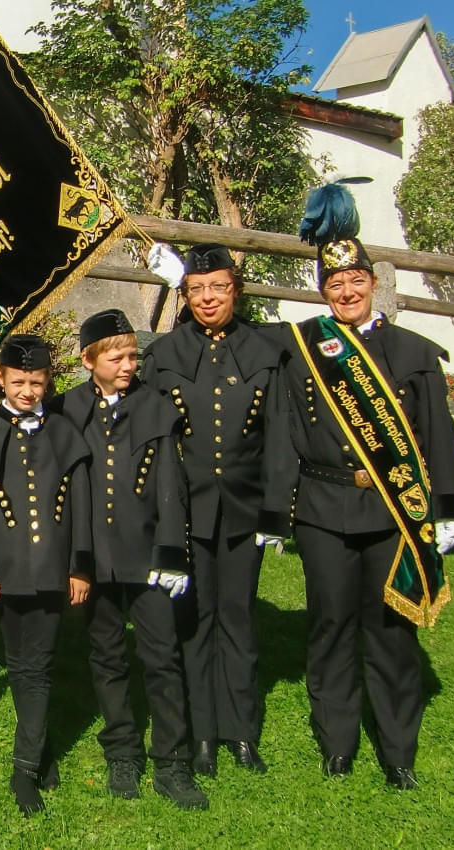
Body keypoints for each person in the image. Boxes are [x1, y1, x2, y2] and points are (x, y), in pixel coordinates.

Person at [265, 181, 454, 790]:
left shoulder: (412, 352)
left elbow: (437, 436)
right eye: (334, 285)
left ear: (372, 282)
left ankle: (398, 750)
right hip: (325, 510)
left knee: (390, 629)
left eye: (356, 283)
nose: (346, 292)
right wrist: (278, 512)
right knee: (329, 625)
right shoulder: (305, 351)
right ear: (322, 290)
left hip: (392, 510)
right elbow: (284, 436)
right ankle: (337, 742)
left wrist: (449, 507)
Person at [142, 244, 292, 777]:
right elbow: (159, 443)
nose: (208, 299)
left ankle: (242, 732)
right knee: (195, 623)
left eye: (218, 288)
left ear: (236, 290)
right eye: (197, 289)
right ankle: (202, 734)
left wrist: (276, 512)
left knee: (238, 620)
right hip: (189, 513)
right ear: (186, 294)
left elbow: (278, 438)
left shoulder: (266, 350)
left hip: (244, 513)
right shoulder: (165, 354)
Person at [51, 310, 206, 810]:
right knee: (107, 656)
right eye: (115, 357)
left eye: (133, 356)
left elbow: (170, 485)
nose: (127, 365)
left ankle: (172, 761)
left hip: (147, 556)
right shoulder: (67, 408)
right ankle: (121, 750)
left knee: (162, 656)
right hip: (94, 556)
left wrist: (171, 553)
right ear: (87, 360)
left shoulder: (156, 406)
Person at [0, 335, 92, 815]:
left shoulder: (63, 431)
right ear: (0, 379)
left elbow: (81, 504)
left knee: (40, 663)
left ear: (49, 380)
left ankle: (25, 766)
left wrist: (80, 567)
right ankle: (37, 754)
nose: (29, 391)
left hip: (54, 570)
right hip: (7, 571)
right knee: (22, 664)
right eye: (19, 382)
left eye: (37, 382)